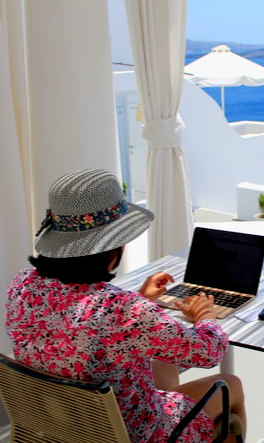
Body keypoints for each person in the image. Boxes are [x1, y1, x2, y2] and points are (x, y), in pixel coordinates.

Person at [5, 168, 246, 442]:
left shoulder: (23, 285)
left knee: (160, 364)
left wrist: (142, 301)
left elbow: (86, 332)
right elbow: (208, 352)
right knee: (231, 384)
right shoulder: (123, 311)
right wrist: (205, 316)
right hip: (132, 433)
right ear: (111, 248)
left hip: (64, 423)